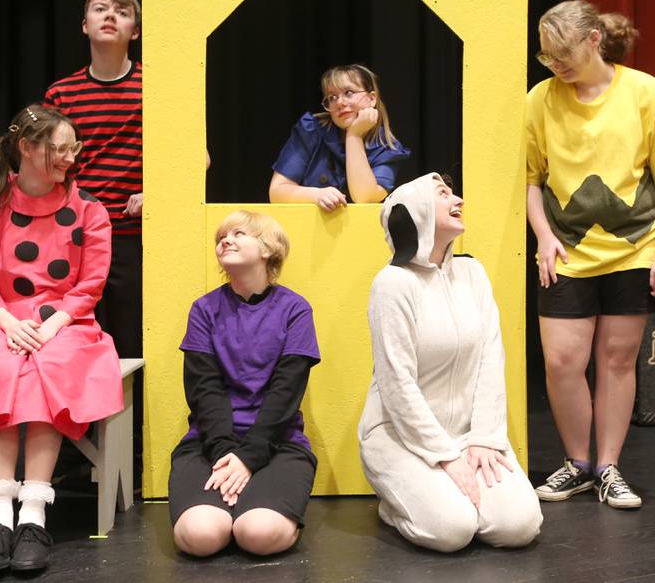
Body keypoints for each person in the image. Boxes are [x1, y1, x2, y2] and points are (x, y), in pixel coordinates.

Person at [526, 0, 655, 509]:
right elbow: (532, 180)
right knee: (561, 361)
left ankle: (607, 467)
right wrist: (541, 235)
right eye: (548, 56)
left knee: (618, 360)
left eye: (565, 54)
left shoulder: (646, 93)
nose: (558, 65)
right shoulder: (541, 99)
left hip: (633, 248)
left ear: (594, 40)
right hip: (568, 249)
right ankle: (577, 464)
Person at [0, 105, 123, 573]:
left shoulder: (89, 210)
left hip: (66, 323)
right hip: (2, 320)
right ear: (27, 148)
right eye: (58, 148)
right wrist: (8, 324)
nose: (68, 158)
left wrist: (50, 325)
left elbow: (89, 285)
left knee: (48, 367)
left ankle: (34, 515)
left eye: (71, 148)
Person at [358, 173, 543, 552]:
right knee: (452, 531)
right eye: (443, 194)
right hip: (399, 435)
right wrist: (444, 456)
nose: (457, 199)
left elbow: (492, 358)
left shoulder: (472, 273)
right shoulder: (391, 284)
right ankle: (396, 508)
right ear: (417, 210)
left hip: (467, 435)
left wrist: (486, 439)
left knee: (520, 527)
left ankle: (450, 497)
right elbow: (397, 385)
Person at [169, 211, 320, 557]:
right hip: (210, 442)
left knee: (258, 534)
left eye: (239, 233)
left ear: (267, 249)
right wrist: (226, 455)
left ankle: (259, 510)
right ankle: (230, 507)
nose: (226, 240)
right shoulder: (204, 310)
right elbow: (204, 390)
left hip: (278, 442)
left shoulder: (295, 309)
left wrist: (250, 457)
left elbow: (286, 392)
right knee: (200, 536)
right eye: (221, 236)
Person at [43, 0, 144, 362]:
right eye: (101, 9)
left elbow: (196, 157)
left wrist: (159, 193)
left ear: (134, 31)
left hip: (133, 235)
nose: (110, 16)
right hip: (72, 233)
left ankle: (131, 424)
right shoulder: (62, 94)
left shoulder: (154, 86)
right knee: (72, 333)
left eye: (122, 11)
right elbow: (44, 162)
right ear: (84, 25)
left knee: (129, 340)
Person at [269, 63, 410, 211]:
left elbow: (364, 198)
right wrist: (316, 194)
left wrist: (354, 136)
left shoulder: (387, 148)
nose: (340, 103)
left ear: (372, 98)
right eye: (332, 97)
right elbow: (277, 191)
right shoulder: (311, 130)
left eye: (349, 93)